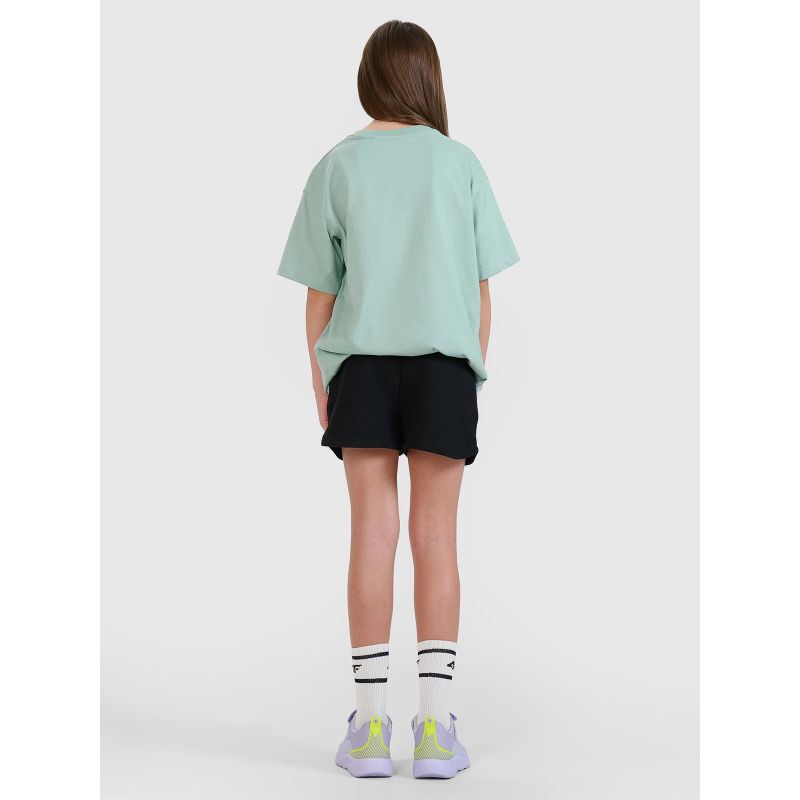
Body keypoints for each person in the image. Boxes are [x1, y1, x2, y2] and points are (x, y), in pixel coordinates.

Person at [277, 19, 519, 779]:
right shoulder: (460, 163)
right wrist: (469, 375)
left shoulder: (337, 165)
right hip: (444, 367)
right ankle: (437, 730)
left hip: (364, 369)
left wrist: (322, 378)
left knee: (372, 535)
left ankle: (373, 729)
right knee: (437, 537)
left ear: (368, 79)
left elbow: (320, 296)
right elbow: (481, 293)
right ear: (428, 80)